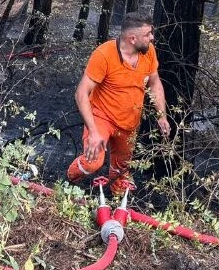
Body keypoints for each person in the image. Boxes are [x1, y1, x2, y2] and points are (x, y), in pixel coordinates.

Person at [66, 11, 170, 195]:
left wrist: (162, 116)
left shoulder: (148, 52)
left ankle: (116, 201)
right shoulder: (104, 55)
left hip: (129, 122)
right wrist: (93, 132)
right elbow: (81, 93)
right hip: (101, 117)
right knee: (92, 163)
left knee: (122, 169)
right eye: (147, 35)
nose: (152, 38)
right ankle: (68, 181)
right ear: (132, 38)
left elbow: (155, 82)